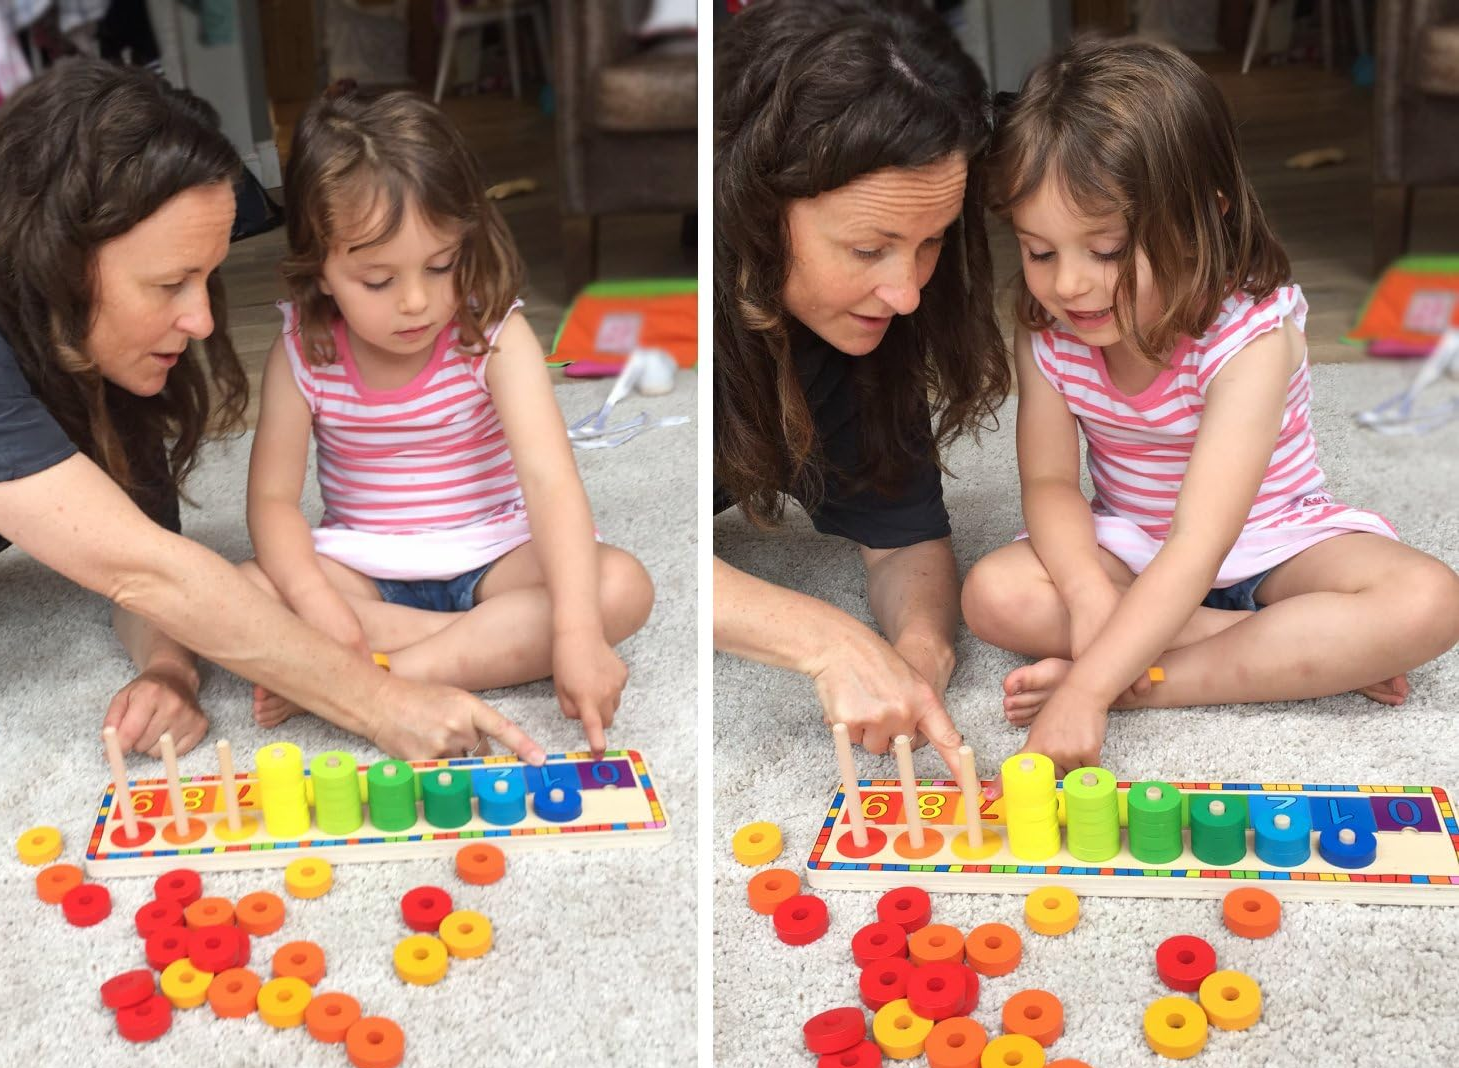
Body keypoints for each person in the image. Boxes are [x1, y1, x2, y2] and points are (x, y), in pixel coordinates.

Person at [0, 59, 545, 765]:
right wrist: (380, 702)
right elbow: (139, 570)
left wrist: (169, 668)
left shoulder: (85, 346)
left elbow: (150, 557)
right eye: (170, 284)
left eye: (205, 278)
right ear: (59, 260)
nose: (204, 320)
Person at [960, 37, 1459, 772]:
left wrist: (1093, 686)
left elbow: (1202, 540)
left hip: (1274, 543)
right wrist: (1089, 594)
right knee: (992, 594)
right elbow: (1050, 482)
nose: (1068, 285)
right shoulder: (1048, 330)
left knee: (1428, 600)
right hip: (1135, 547)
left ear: (1206, 217)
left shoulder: (1250, 337)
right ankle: (1293, 648)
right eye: (1040, 251)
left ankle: (1154, 684)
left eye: (1106, 250)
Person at [240, 86, 653, 757]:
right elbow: (272, 501)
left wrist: (578, 633)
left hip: (495, 554)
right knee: (244, 591)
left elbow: (550, 483)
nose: (416, 301)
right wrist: (316, 601)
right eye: (378, 281)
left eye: (441, 265)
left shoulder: (494, 336)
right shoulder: (300, 354)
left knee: (620, 587)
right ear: (320, 271)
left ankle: (378, 674)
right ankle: (475, 644)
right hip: (365, 563)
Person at [712, 0, 1010, 778]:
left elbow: (904, 538)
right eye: (870, 249)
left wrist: (918, 655)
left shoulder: (860, 328)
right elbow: (623, 549)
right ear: (755, 209)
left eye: (931, 241)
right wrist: (828, 641)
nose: (907, 294)